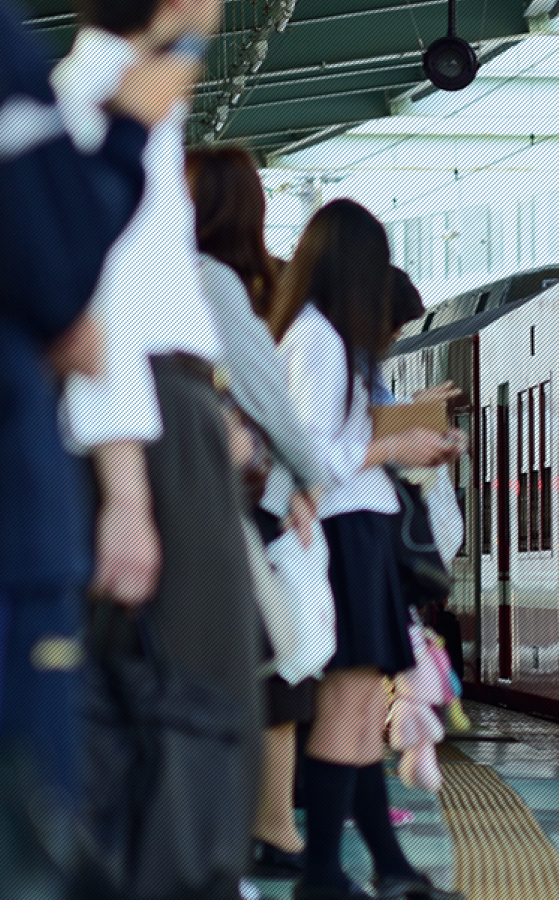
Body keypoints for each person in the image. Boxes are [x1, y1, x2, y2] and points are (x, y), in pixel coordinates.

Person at [55, 1, 266, 898]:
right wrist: (131, 492)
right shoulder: (106, 100)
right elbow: (95, 304)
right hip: (142, 424)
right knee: (189, 695)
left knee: (184, 695)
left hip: (167, 410)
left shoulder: (121, 96)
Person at [0, 4, 199, 895]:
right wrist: (129, 131)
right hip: (20, 498)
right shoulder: (73, 83)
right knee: (33, 804)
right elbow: (63, 278)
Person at [266, 198, 463, 900]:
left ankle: (385, 868)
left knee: (353, 718)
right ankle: (330, 872)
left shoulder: (321, 338)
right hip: (347, 536)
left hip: (359, 534)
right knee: (346, 713)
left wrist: (410, 436)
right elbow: (312, 451)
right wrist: (396, 445)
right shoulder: (316, 340)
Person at [185, 144, 327, 881]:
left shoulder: (194, 279)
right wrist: (312, 476)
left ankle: (251, 828)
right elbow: (266, 393)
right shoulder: (219, 282)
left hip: (213, 498)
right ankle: (261, 830)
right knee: (267, 662)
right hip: (233, 503)